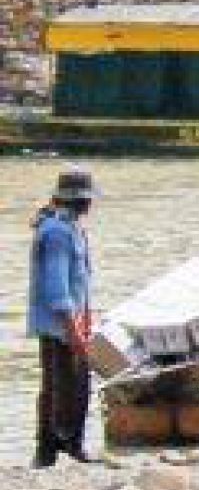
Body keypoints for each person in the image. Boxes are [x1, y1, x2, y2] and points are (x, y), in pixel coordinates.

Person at [29, 169, 97, 468]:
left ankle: (71, 443)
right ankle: (48, 451)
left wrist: (87, 319)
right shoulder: (56, 232)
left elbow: (81, 281)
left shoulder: (73, 229)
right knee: (60, 385)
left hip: (73, 320)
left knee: (77, 382)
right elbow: (57, 288)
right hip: (59, 325)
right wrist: (73, 329)